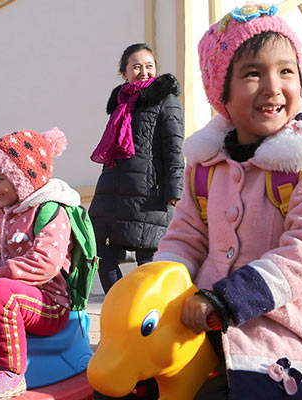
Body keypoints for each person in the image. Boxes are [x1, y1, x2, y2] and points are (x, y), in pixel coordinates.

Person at [153, 4, 302, 399]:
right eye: (253, 73)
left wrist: (225, 299)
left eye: (286, 71)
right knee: (142, 375)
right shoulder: (205, 166)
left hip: (295, 319)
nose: (273, 86)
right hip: (207, 313)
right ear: (222, 93)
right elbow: (185, 236)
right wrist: (158, 285)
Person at [0, 127, 79, 400]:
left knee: (0, 292)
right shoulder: (5, 209)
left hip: (50, 303)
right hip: (12, 291)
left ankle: (11, 373)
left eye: (0, 178)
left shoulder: (51, 210)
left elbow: (45, 263)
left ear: (23, 180)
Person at [89, 42, 185, 294]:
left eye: (149, 66)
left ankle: (148, 313)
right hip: (113, 190)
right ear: (125, 72)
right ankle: (120, 304)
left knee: (148, 260)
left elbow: (174, 146)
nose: (144, 71)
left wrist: (174, 189)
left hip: (149, 192)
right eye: (137, 66)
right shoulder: (120, 102)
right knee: (102, 253)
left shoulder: (166, 100)